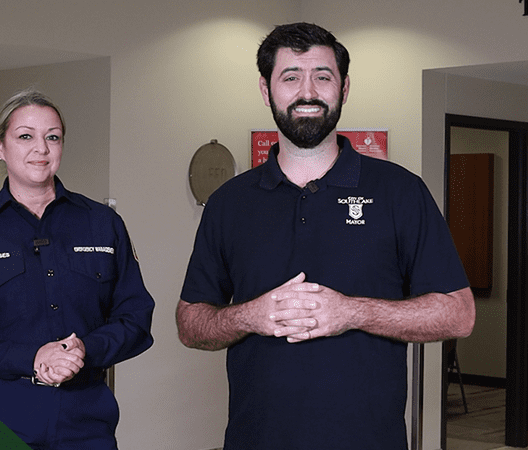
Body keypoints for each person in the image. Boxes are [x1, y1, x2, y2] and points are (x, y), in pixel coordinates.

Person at [176, 22, 475, 450]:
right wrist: (251, 316)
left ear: (344, 87)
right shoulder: (229, 203)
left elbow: (458, 315)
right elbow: (190, 324)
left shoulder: (400, 192)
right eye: (291, 77)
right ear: (267, 90)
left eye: (322, 76)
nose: (308, 91)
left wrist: (351, 313)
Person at [0, 88, 155, 450]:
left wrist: (85, 349)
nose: (42, 149)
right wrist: (32, 358)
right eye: (25, 137)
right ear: (0, 147)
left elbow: (136, 318)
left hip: (86, 421)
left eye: (53, 137)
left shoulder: (103, 224)